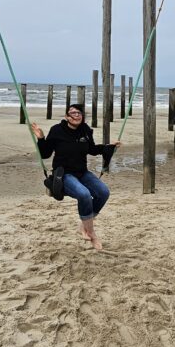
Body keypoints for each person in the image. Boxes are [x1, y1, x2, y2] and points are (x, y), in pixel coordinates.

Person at [31, 103, 120, 250]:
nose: (77, 115)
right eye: (73, 113)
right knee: (84, 194)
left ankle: (83, 226)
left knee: (103, 192)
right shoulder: (57, 130)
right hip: (64, 174)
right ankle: (91, 233)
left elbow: (91, 149)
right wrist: (41, 139)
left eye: (79, 113)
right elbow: (45, 154)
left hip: (82, 172)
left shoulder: (85, 130)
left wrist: (109, 147)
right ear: (67, 117)